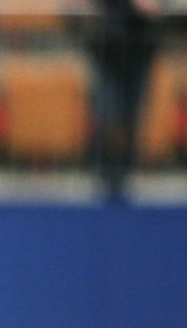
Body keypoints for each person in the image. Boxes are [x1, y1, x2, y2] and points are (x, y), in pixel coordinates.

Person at [86, 0, 163, 202]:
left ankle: (124, 174)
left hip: (139, 48)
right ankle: (104, 172)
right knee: (107, 113)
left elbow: (154, 9)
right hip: (108, 48)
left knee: (132, 115)